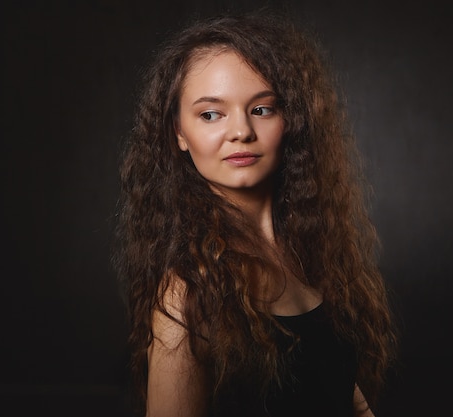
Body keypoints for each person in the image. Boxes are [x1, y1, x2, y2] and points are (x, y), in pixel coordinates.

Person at [113, 9, 397, 417]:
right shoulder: (188, 293)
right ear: (178, 132)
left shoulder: (315, 253)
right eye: (211, 114)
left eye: (262, 109)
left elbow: (341, 394)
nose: (241, 131)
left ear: (290, 120)